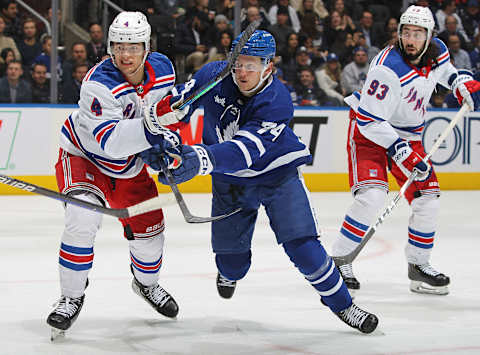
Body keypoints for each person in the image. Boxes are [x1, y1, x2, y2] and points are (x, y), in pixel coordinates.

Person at [141, 30, 379, 334]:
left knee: (303, 247)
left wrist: (198, 159)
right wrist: (159, 138)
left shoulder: (277, 101)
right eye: (238, 63)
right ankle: (230, 271)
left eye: (251, 65)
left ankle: (344, 305)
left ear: (269, 66)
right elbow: (175, 107)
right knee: (232, 264)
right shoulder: (214, 74)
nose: (242, 72)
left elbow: (244, 151)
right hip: (230, 183)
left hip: (277, 177)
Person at [46, 11, 188, 338]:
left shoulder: (163, 68)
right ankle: (70, 296)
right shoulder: (98, 83)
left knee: (151, 235)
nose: (126, 55)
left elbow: (168, 112)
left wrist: (172, 138)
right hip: (85, 157)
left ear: (146, 47)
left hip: (130, 167)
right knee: (82, 220)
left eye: (134, 47)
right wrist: (156, 133)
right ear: (110, 47)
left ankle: (146, 285)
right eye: (119, 46)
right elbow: (111, 143)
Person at [331, 5, 480, 296]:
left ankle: (418, 265)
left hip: (407, 135)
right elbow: (369, 120)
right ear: (398, 33)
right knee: (372, 196)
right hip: (369, 133)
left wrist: (460, 84)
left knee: (428, 197)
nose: (410, 40)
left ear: (429, 36)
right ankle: (338, 260)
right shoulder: (387, 68)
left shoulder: (436, 50)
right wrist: (402, 152)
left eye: (417, 34)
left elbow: (445, 72)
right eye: (406, 33)